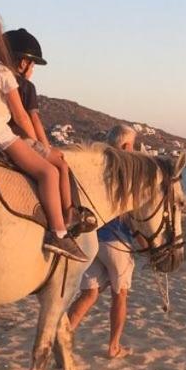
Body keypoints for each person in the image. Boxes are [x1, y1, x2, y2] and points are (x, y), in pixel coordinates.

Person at [0, 6, 86, 262]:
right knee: (49, 172)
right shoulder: (1, 72)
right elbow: (21, 116)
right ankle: (58, 232)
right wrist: (35, 144)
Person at [2, 27, 92, 234]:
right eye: (33, 64)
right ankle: (68, 214)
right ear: (23, 63)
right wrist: (44, 146)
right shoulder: (25, 86)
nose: (32, 69)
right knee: (60, 164)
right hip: (20, 140)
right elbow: (32, 118)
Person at [68, 125, 141, 358]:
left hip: (92, 239)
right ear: (128, 146)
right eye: (134, 144)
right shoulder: (128, 169)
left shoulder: (99, 166)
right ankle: (114, 346)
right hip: (117, 241)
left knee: (89, 294)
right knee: (120, 294)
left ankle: (64, 339)